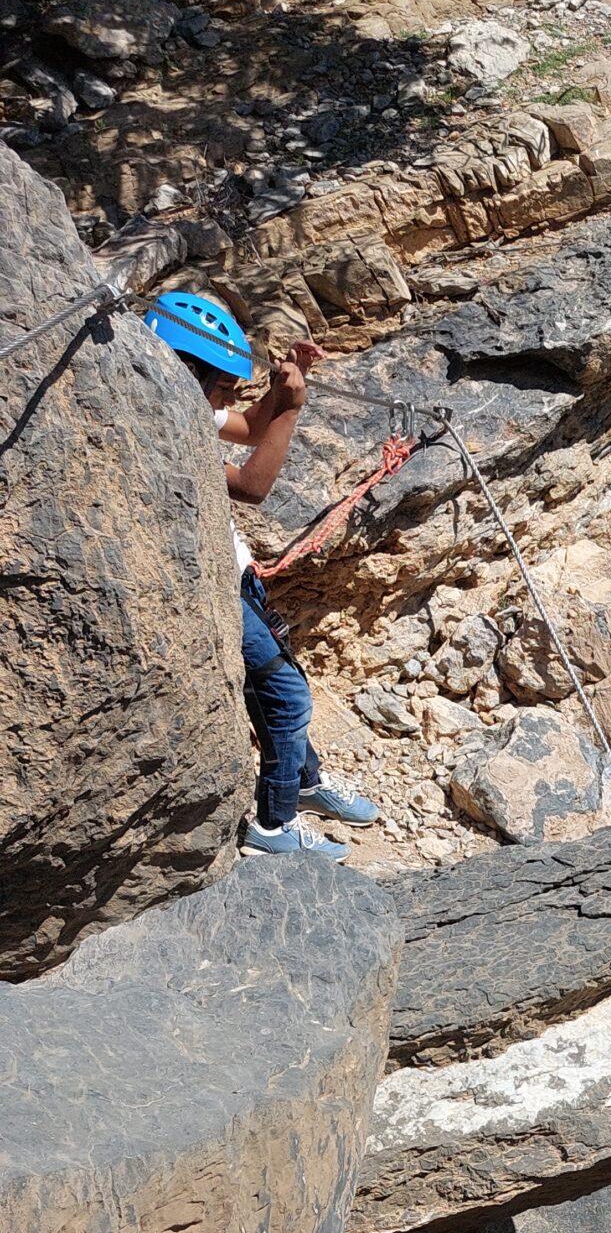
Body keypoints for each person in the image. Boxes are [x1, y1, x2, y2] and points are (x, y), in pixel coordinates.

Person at [141, 290, 379, 860]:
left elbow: (247, 426)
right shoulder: (158, 423)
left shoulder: (176, 398)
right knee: (288, 695)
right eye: (221, 385)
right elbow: (252, 486)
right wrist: (292, 409)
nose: (228, 397)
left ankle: (304, 782)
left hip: (235, 571)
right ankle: (273, 827)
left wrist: (280, 390)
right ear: (183, 369)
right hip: (217, 583)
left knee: (276, 681)